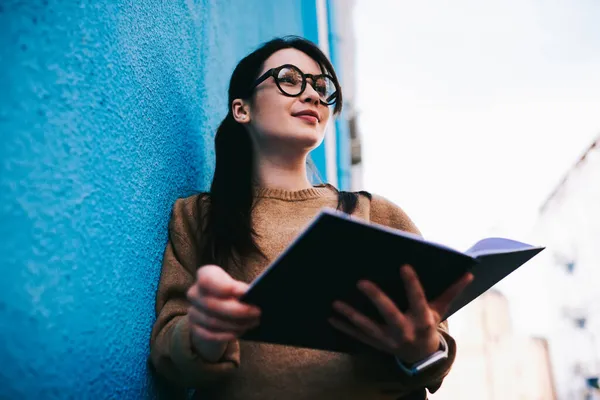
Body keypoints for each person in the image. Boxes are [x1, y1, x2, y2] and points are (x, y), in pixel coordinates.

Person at [149, 35, 473, 400]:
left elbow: (436, 345)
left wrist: (422, 349)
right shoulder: (197, 217)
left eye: (322, 87)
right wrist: (202, 335)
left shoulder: (378, 214)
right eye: (289, 79)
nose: (314, 96)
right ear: (242, 109)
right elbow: (167, 348)